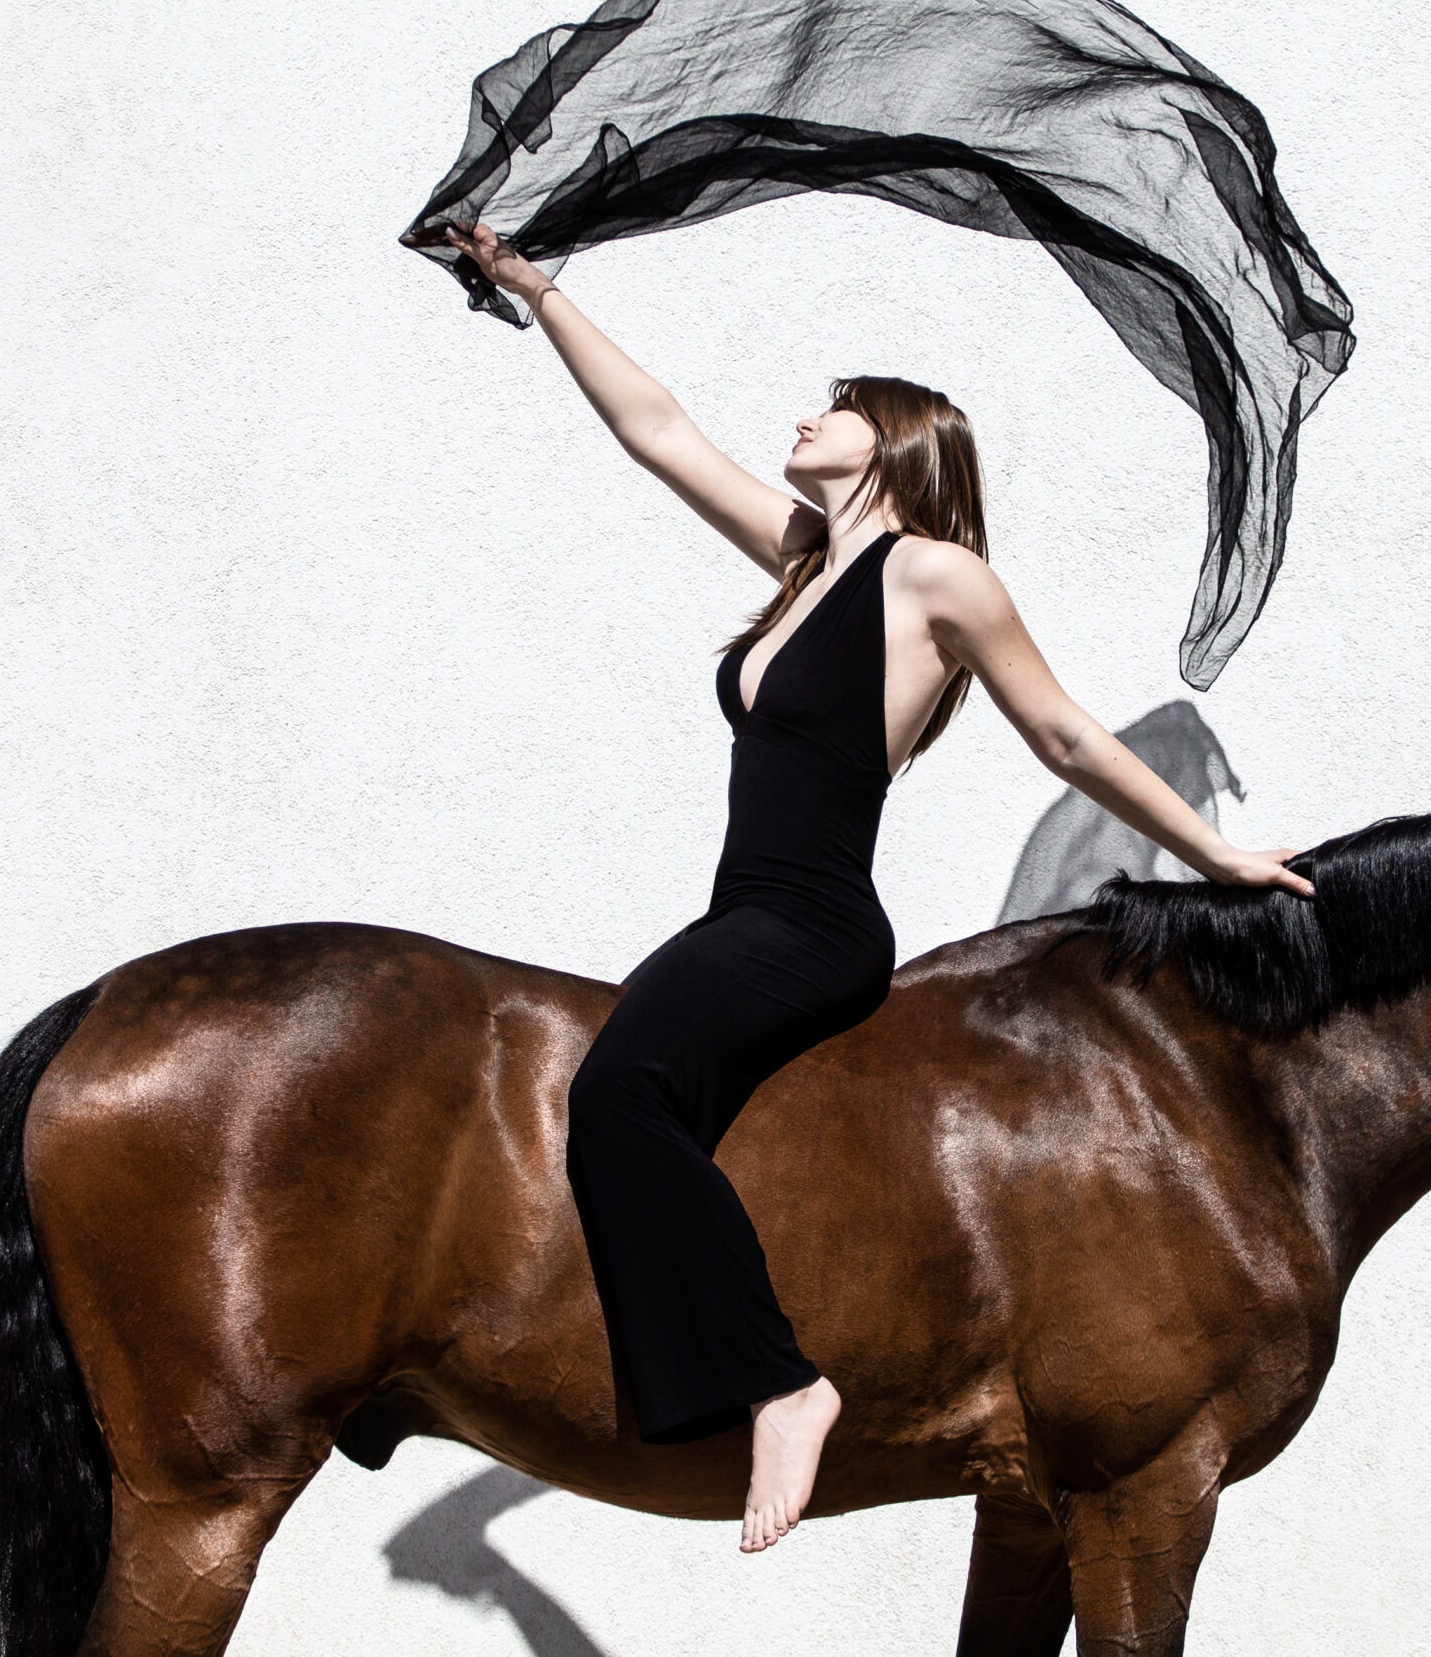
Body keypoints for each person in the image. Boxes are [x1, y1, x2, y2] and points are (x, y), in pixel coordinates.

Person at [440, 223, 1316, 1556]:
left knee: (618, 1091)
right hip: (738, 917)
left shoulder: (935, 577)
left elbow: (1065, 734)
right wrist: (535, 289)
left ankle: (784, 1386)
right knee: (616, 1110)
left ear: (897, 442)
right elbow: (656, 431)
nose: (807, 416)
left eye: (835, 405)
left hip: (814, 927)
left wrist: (1219, 857)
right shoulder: (805, 560)